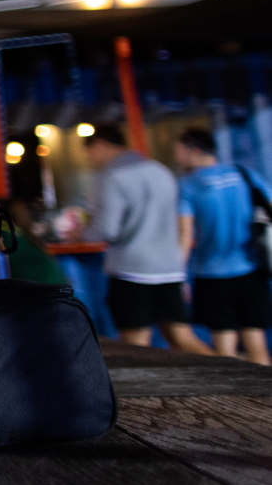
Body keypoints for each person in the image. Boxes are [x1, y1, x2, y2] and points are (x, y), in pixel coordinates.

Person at [85, 123, 212, 354]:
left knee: (136, 346)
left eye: (89, 152)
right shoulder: (160, 170)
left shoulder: (112, 175)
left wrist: (81, 232)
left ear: (100, 145)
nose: (90, 159)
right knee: (181, 337)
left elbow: (107, 230)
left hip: (132, 270)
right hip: (169, 267)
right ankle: (229, 375)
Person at [174, 128, 272, 365]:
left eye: (179, 152)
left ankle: (233, 401)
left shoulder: (189, 185)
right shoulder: (244, 173)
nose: (177, 158)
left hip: (212, 274)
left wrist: (177, 275)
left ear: (194, 152)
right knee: (257, 343)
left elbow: (185, 235)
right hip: (251, 268)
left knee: (225, 351)